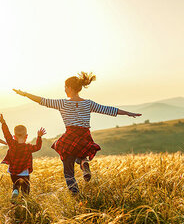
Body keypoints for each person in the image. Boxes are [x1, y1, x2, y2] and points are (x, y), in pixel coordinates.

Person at [13, 71, 141, 195]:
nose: (64, 89)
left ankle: (74, 193)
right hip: (84, 136)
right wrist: (128, 113)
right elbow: (108, 110)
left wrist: (25, 94)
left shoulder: (62, 103)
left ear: (69, 88)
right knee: (80, 152)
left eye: (65, 87)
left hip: (70, 135)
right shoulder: (88, 103)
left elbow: (42, 100)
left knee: (68, 169)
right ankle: (83, 162)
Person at [0, 113, 46, 199]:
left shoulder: (12, 144)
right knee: (25, 188)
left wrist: (3, 123)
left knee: (15, 184)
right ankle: (24, 199)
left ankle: (15, 190)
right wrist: (39, 137)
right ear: (26, 136)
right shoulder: (28, 147)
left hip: (13, 171)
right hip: (24, 172)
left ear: (14, 136)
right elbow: (38, 147)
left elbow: (6, 134)